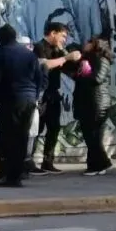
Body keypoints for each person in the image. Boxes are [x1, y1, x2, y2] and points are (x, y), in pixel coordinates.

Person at [0, 24, 43, 188]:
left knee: (7, 137)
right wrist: (34, 97)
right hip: (29, 101)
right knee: (22, 137)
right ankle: (17, 173)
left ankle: (10, 176)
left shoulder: (0, 55)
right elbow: (39, 79)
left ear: (0, 39)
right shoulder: (30, 55)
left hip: (10, 101)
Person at [32, 21, 83, 173]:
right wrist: (66, 57)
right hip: (41, 95)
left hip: (54, 94)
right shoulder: (39, 47)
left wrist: (73, 58)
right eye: (62, 36)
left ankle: (48, 161)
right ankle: (29, 162)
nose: (64, 39)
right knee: (37, 129)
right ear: (53, 33)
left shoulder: (59, 50)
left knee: (54, 128)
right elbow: (44, 65)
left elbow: (70, 69)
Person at [72, 36, 114, 176]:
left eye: (89, 42)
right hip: (88, 102)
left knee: (93, 136)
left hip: (97, 103)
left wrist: (82, 74)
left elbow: (97, 78)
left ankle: (102, 163)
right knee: (91, 136)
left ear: (97, 45)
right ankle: (95, 165)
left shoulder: (102, 59)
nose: (86, 44)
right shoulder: (88, 59)